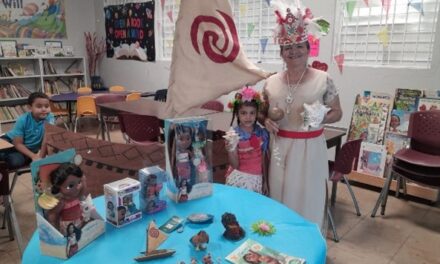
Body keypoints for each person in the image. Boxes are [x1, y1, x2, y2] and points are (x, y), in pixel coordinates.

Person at [261, 1, 342, 231]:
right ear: (282, 52)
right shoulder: (270, 81)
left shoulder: (323, 79)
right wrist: (265, 120)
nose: (294, 51)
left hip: (310, 150)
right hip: (279, 148)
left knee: (308, 199)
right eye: (288, 47)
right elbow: (261, 111)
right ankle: (280, 243)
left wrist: (321, 117)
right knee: (278, 195)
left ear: (308, 48)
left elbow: (338, 112)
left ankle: (307, 246)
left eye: (299, 46)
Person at [224, 86, 269, 194]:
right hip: (240, 179)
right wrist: (231, 149)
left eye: (252, 113)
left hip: (257, 179)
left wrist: (265, 182)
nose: (248, 117)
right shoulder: (234, 135)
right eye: (243, 113)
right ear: (237, 114)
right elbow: (235, 165)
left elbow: (264, 159)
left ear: (257, 113)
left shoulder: (262, 133)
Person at [0, 92, 54, 169]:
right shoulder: (22, 120)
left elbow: (46, 139)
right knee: (11, 159)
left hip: (26, 148)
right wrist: (33, 156)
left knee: (16, 162)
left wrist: (40, 158)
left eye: (47, 106)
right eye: (39, 106)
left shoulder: (50, 117)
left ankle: (24, 156)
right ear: (30, 107)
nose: (44, 109)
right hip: (11, 142)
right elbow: (17, 144)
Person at [46, 163, 88, 235]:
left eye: (79, 182)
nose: (77, 188)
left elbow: (83, 192)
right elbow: (52, 214)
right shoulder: (62, 201)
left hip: (79, 221)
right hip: (67, 227)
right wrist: (54, 230)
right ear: (58, 187)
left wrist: (83, 180)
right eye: (70, 186)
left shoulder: (77, 196)